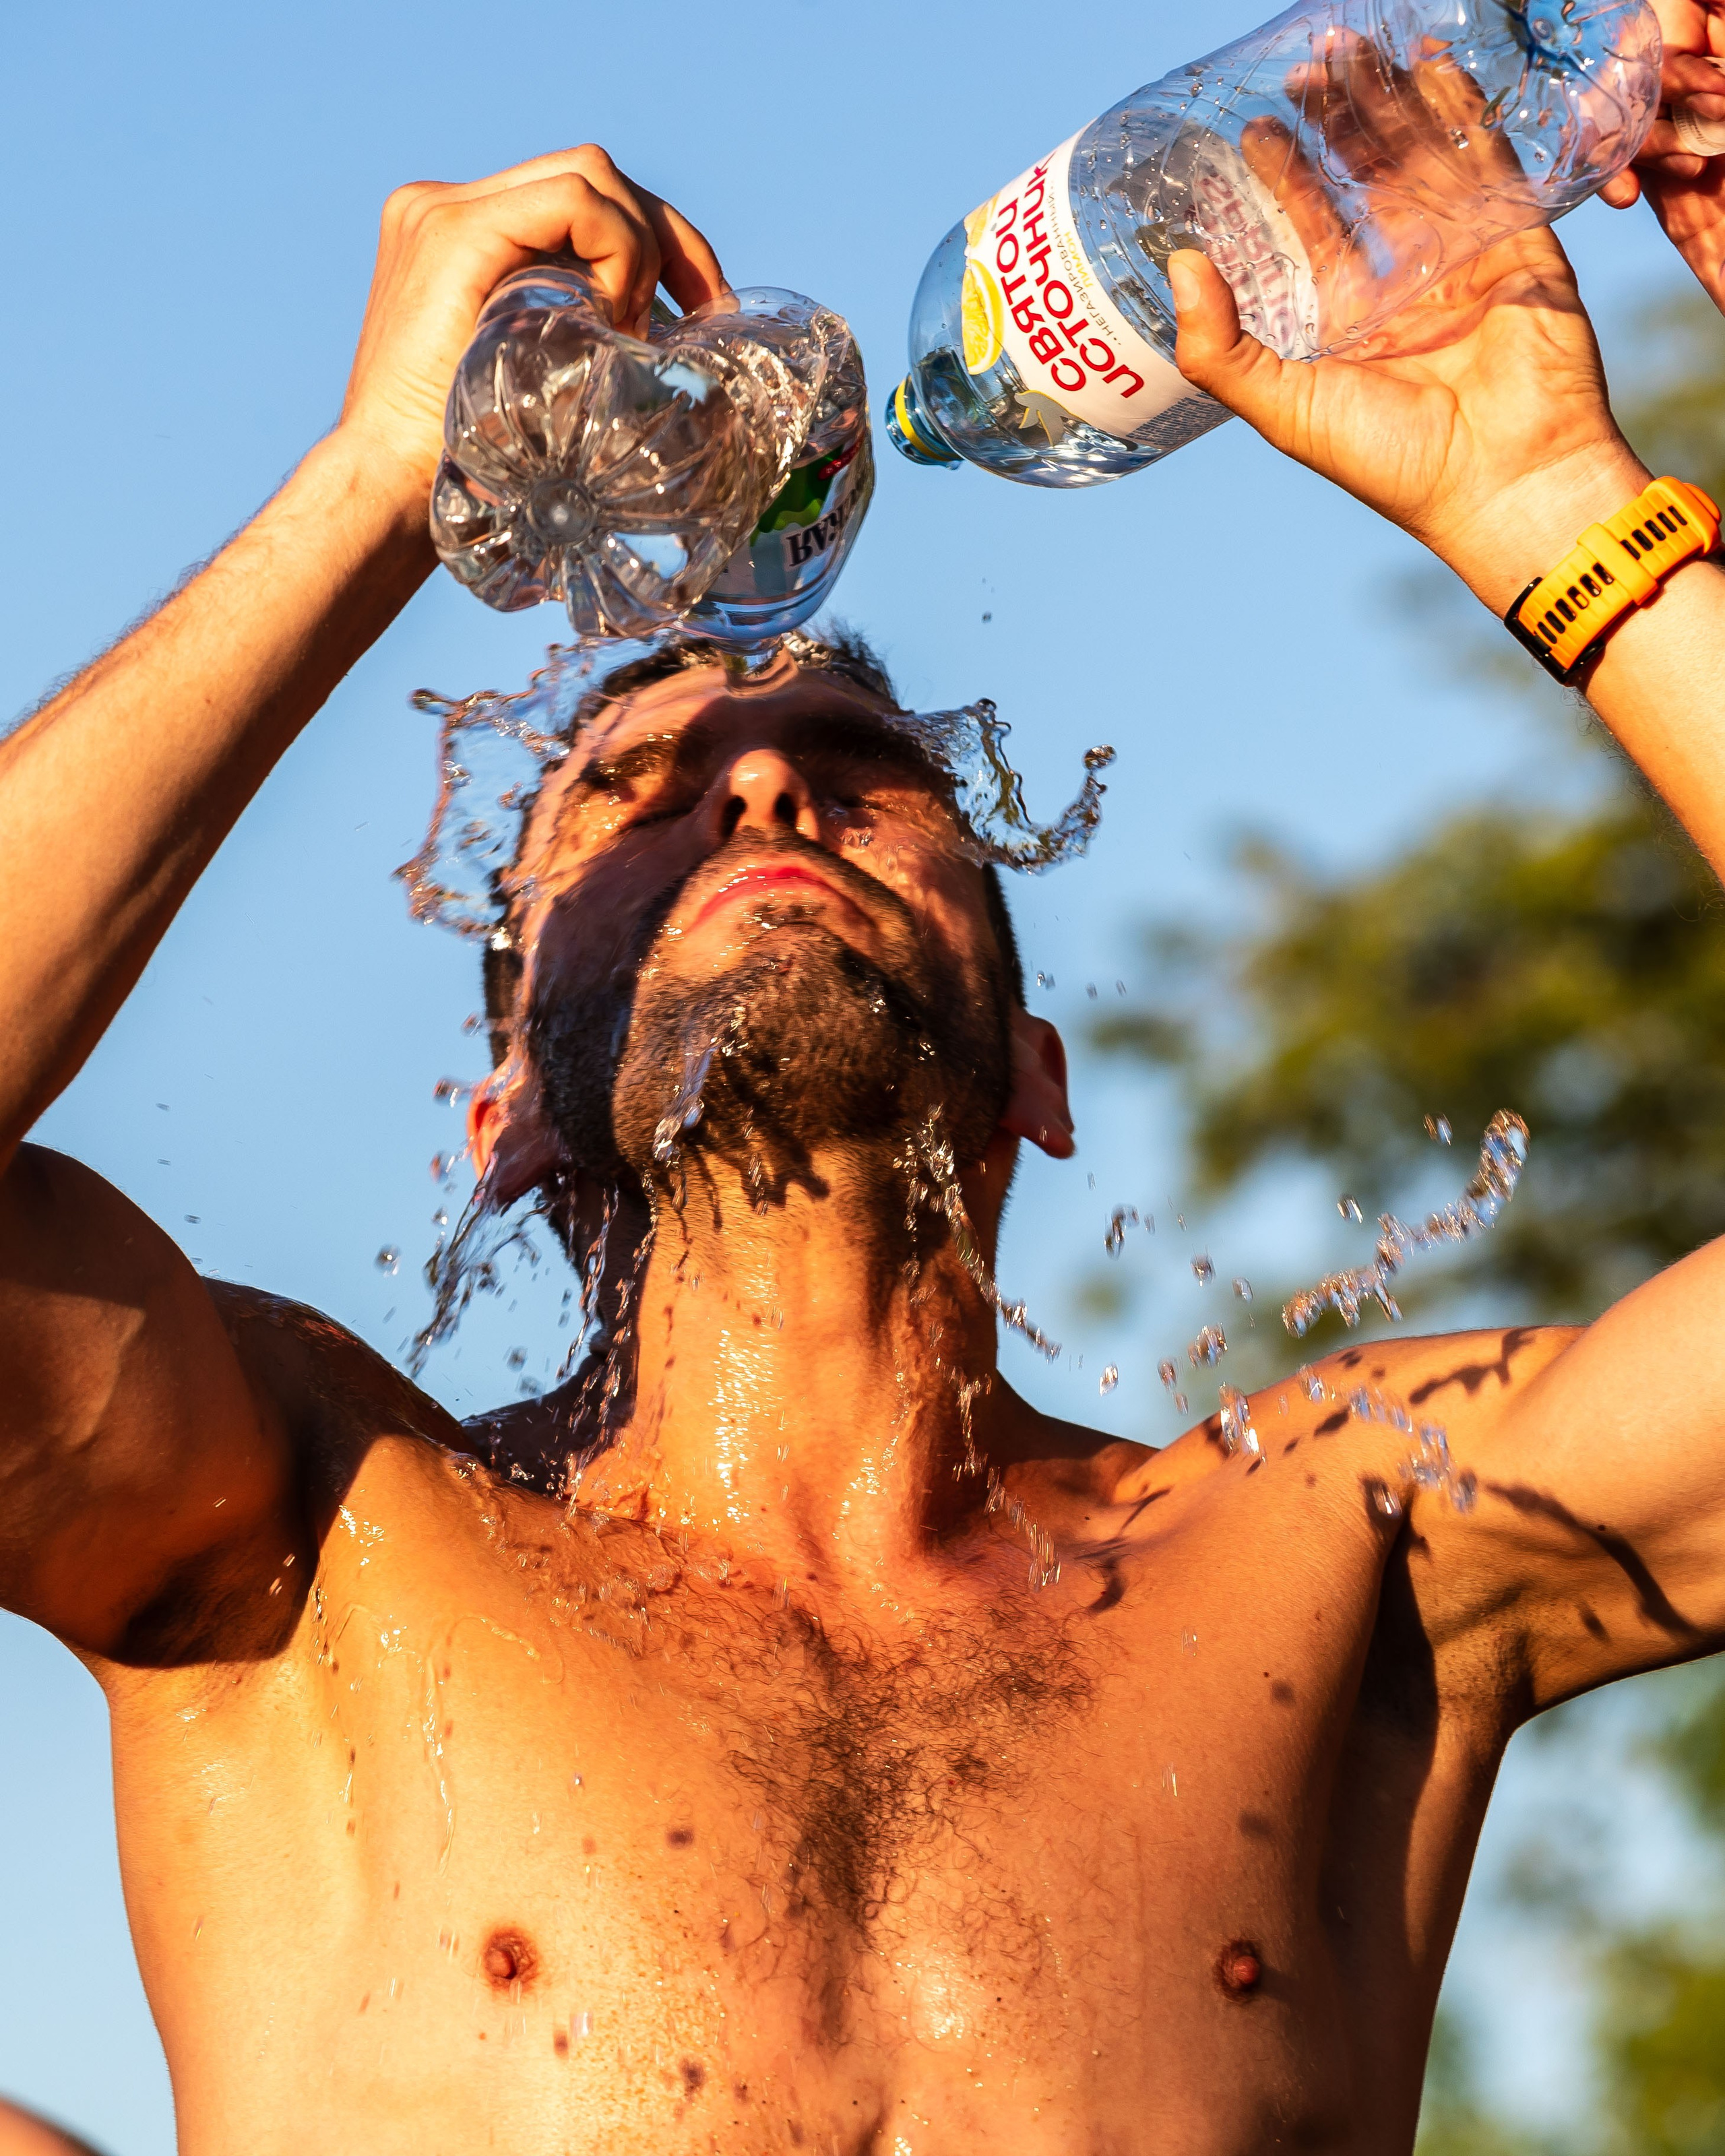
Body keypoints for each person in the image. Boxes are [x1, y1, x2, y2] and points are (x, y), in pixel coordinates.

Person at [4, 30, 1725, 2142]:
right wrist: (380, 485)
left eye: (871, 775)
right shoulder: (309, 1538)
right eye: (631, 790)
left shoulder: (1338, 1553)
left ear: (1034, 1072)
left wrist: (1560, 508)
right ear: (504, 1123)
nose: (760, 783)